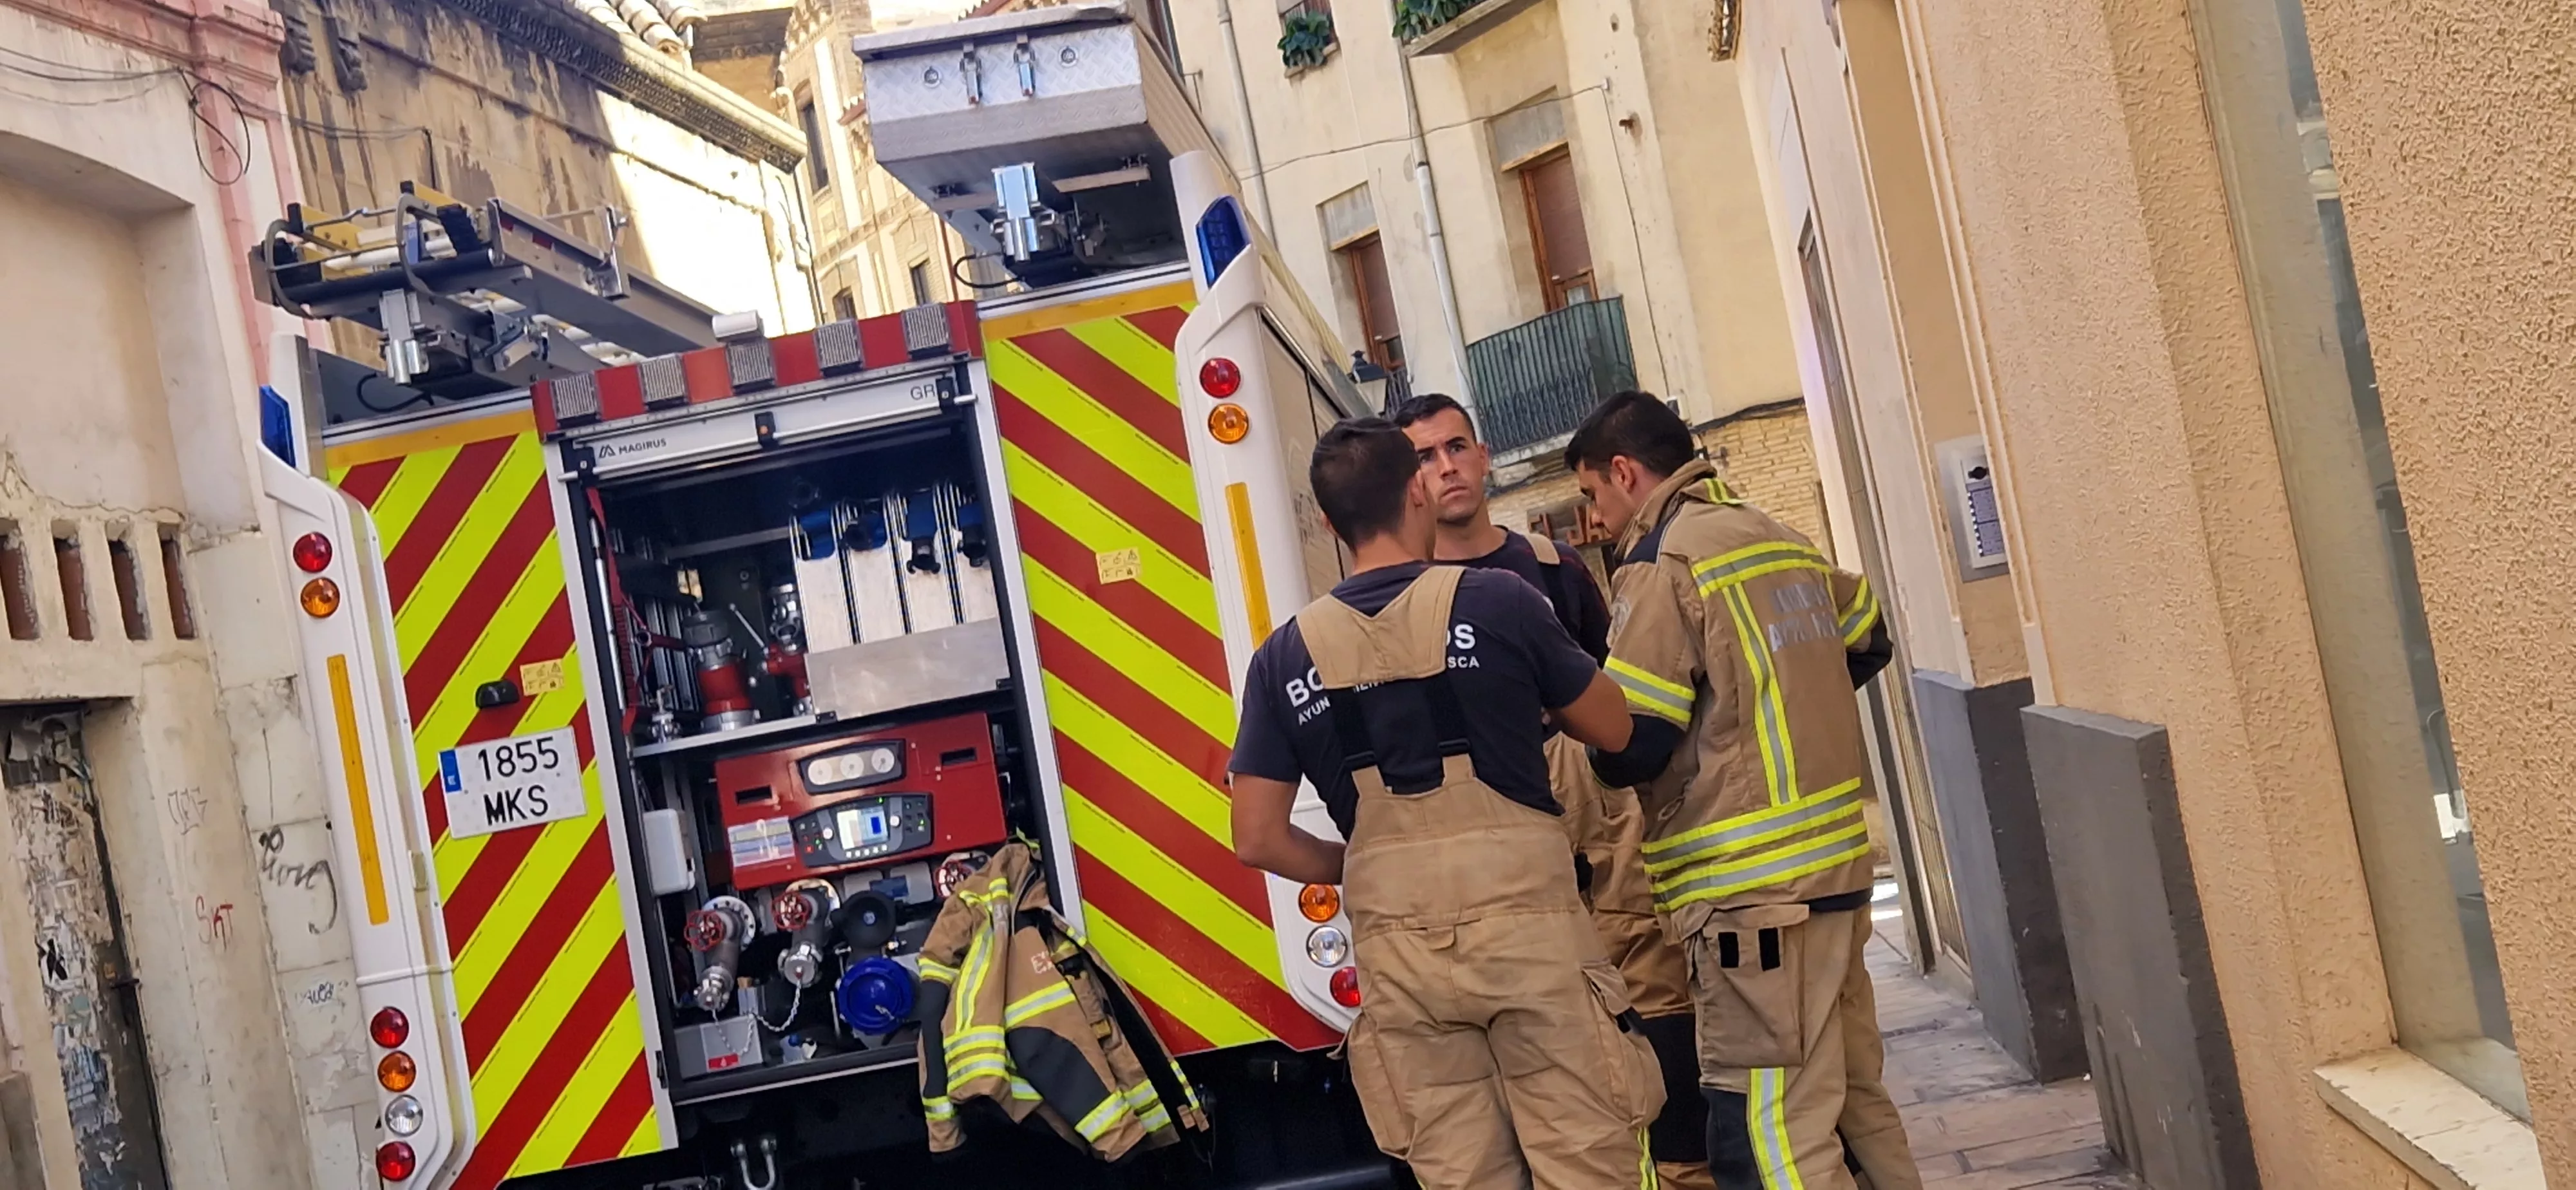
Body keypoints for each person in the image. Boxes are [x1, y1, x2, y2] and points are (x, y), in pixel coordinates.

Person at [1229, 416, 1665, 1189]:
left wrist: (1358, 861)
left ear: (1329, 524)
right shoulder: (1502, 601)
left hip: (1400, 956)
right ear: (1417, 491)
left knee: (1462, 1177)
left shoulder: (1283, 657)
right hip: (1531, 935)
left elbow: (1257, 837)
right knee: (1589, 1163)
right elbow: (1612, 726)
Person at [1573, 392, 1922, 1190]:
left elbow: (1639, 739)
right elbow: (1866, 636)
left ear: (1625, 472)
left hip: (1749, 903)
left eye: (1592, 495)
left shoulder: (1662, 566)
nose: (1594, 520)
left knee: (1770, 1135)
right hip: (1830, 877)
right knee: (1853, 1100)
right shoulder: (1777, 539)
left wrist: (1593, 749)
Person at [1391, 392, 1713, 1190]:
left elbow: (1620, 680)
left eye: (1456, 447)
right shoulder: (1400, 589)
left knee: (1645, 963)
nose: (1446, 468)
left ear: (1483, 453)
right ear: (1410, 485)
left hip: (1584, 788)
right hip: (1484, 815)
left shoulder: (1549, 566)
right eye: (1425, 458)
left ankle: (1682, 1167)